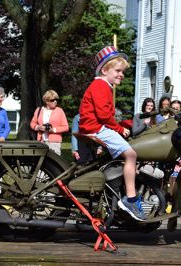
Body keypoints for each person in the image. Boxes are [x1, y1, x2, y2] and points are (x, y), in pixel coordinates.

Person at [79, 46, 146, 221]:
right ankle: (130, 199)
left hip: (93, 127)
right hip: (96, 128)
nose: (121, 75)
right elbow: (104, 115)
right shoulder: (101, 85)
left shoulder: (101, 85)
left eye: (122, 72)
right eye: (118, 71)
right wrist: (119, 128)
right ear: (104, 69)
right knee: (131, 155)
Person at [30, 90, 69, 156]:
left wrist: (53, 130)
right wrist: (38, 127)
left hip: (54, 142)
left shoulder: (59, 111)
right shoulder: (39, 110)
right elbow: (32, 123)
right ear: (46, 101)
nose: (55, 101)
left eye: (56, 99)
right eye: (52, 100)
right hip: (41, 141)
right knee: (41, 161)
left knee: (54, 162)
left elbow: (66, 127)